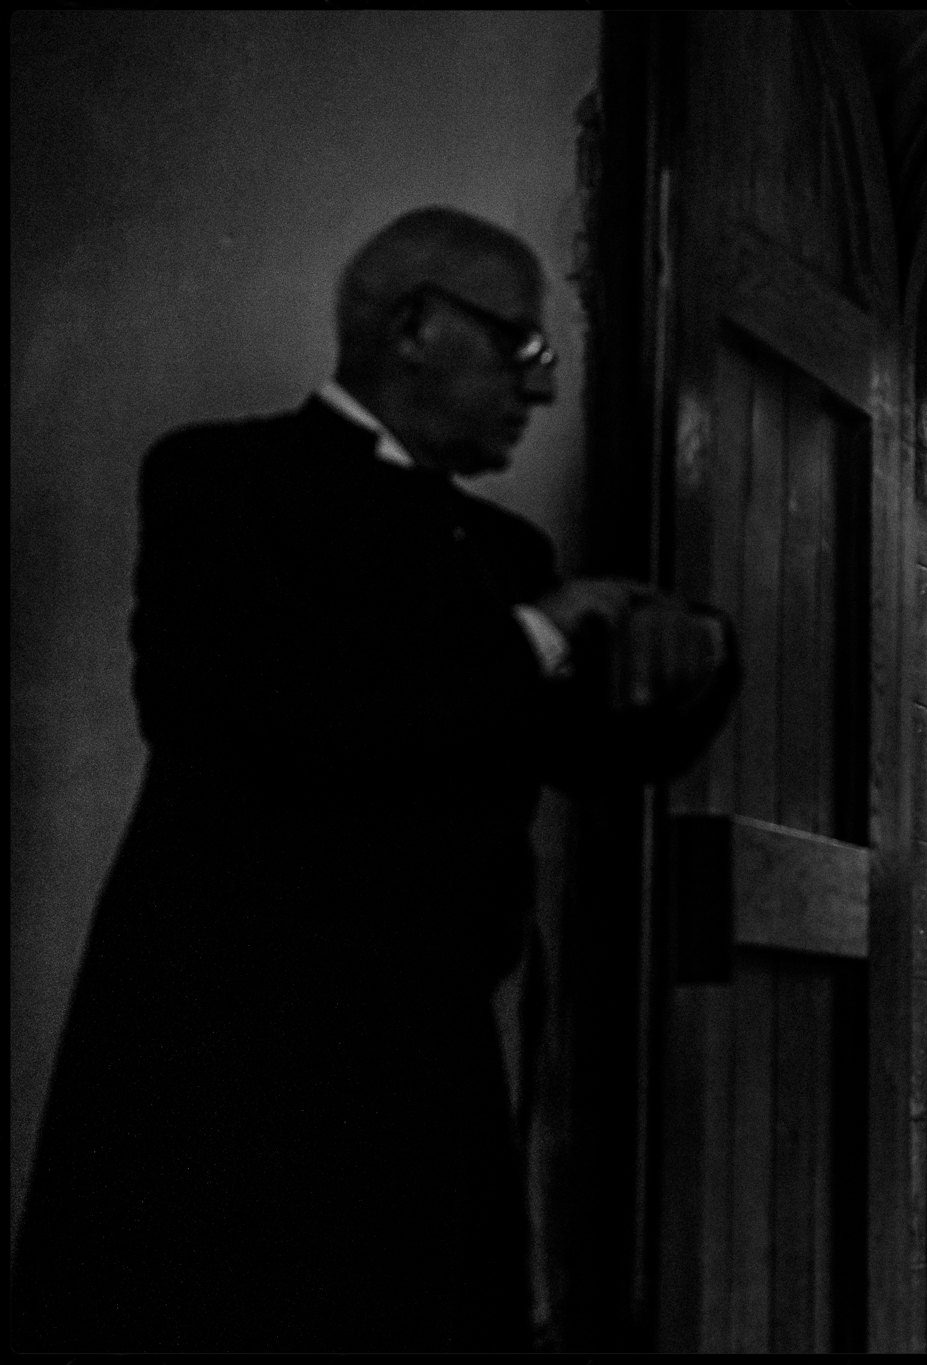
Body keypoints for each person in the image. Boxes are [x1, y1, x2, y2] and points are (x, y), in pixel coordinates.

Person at [12, 207, 738, 1351]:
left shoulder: (505, 556)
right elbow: (285, 719)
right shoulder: (223, 481)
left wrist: (703, 653)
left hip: (425, 1071)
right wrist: (538, 637)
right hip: (230, 1056)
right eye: (524, 350)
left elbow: (594, 758)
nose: (539, 391)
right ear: (414, 326)